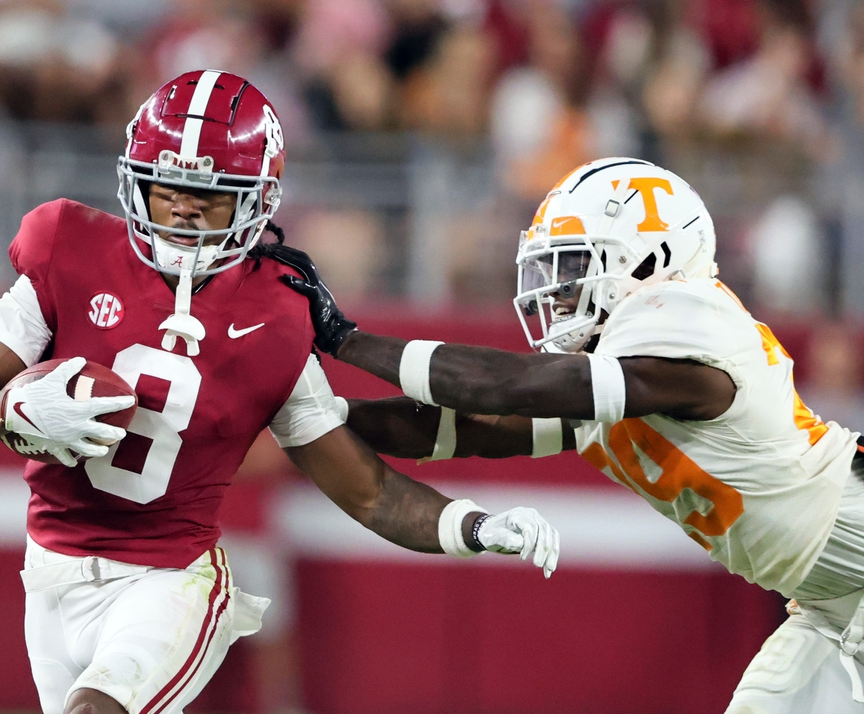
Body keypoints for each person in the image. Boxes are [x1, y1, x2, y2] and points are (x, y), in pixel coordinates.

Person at [0, 70, 560, 714]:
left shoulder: (278, 315)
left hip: (169, 581)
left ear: (257, 200)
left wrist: (472, 526)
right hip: (49, 570)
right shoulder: (66, 246)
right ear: (138, 175)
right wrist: (8, 407)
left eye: (212, 192)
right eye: (170, 181)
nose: (186, 206)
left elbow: (369, 493)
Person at [275, 156, 864, 713]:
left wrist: (345, 338)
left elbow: (508, 388)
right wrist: (307, 410)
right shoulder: (616, 373)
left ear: (652, 260)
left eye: (577, 266)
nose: (556, 291)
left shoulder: (689, 317)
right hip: (828, 600)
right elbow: (458, 426)